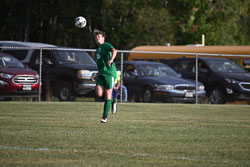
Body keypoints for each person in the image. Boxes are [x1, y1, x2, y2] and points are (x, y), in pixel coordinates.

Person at [93, 29, 117, 123]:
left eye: (99, 36)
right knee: (99, 94)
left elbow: (115, 51)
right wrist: (97, 73)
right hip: (101, 73)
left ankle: (104, 117)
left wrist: (111, 60)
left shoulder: (106, 45)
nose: (97, 38)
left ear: (103, 38)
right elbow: (100, 64)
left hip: (109, 72)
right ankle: (112, 101)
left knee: (107, 93)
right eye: (95, 37)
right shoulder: (97, 50)